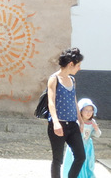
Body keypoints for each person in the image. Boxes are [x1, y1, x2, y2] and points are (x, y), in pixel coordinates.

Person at [47, 47, 85, 178]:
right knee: (57, 160)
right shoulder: (54, 79)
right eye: (78, 65)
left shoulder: (73, 80)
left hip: (72, 125)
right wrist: (56, 123)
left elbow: (74, 101)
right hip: (58, 125)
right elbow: (51, 102)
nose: (79, 68)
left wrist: (80, 120)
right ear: (71, 64)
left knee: (81, 156)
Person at [62, 98, 101, 178]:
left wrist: (96, 128)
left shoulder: (92, 122)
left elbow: (97, 135)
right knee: (75, 163)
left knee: (87, 164)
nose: (88, 112)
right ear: (80, 111)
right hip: (76, 147)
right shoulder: (76, 122)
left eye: (91, 110)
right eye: (86, 110)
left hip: (87, 147)